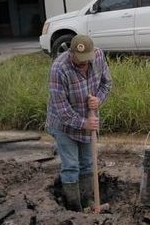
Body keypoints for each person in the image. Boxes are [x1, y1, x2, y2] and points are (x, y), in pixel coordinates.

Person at [46, 34, 112, 211]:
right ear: (71, 53)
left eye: (87, 60)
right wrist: (84, 124)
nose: (84, 64)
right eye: (80, 60)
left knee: (88, 163)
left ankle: (89, 200)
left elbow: (106, 83)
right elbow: (62, 111)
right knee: (71, 166)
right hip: (64, 126)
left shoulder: (98, 56)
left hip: (88, 122)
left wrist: (98, 99)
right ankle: (75, 208)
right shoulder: (59, 69)